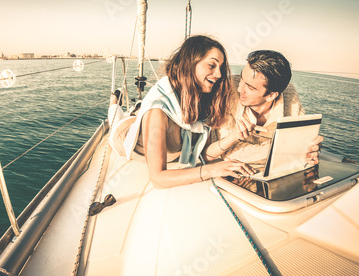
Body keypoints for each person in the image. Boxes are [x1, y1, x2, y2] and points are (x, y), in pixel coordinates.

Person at [108, 35, 256, 189]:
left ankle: (138, 110)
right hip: (122, 136)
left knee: (138, 113)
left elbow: (202, 154)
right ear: (190, 63)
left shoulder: (202, 101)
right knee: (115, 120)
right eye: (212, 65)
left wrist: (235, 136)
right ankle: (114, 103)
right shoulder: (157, 113)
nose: (219, 74)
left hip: (152, 125)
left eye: (221, 68)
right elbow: (157, 179)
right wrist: (212, 170)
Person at [211, 50, 323, 167]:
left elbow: (302, 140)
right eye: (241, 78)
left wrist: (311, 148)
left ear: (271, 95)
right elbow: (228, 152)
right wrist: (291, 151)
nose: (240, 89)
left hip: (276, 169)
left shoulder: (289, 94)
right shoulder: (227, 90)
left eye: (250, 87)